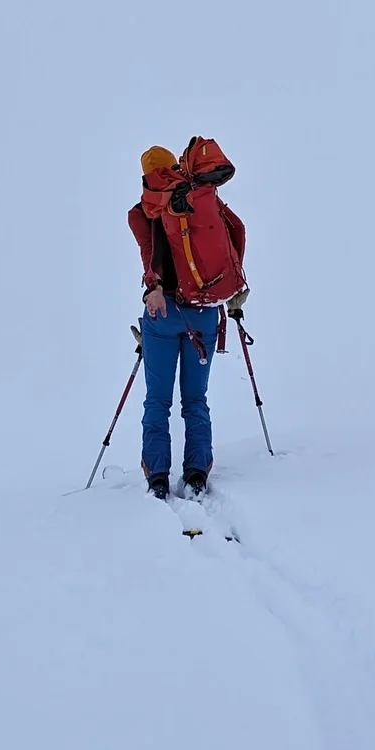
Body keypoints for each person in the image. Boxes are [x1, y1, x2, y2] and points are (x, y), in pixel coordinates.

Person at [128, 139, 247, 498]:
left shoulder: (143, 210)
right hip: (206, 313)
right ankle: (196, 472)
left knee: (157, 401)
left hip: (162, 315)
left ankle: (158, 477)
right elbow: (235, 231)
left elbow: (152, 255)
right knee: (195, 399)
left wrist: (154, 288)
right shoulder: (199, 199)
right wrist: (232, 287)